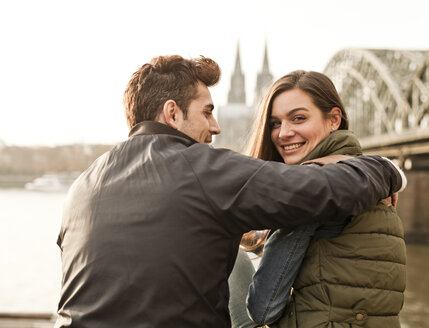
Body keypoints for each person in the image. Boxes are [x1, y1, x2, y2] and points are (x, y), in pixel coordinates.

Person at [55, 56, 405, 328]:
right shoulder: (199, 168)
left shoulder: (83, 185)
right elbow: (322, 189)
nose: (216, 127)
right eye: (207, 112)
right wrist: (388, 169)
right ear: (172, 114)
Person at [246, 70, 406, 327]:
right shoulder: (367, 178)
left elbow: (263, 308)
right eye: (275, 123)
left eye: (298, 118)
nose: (283, 133)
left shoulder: (317, 186)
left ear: (334, 120)